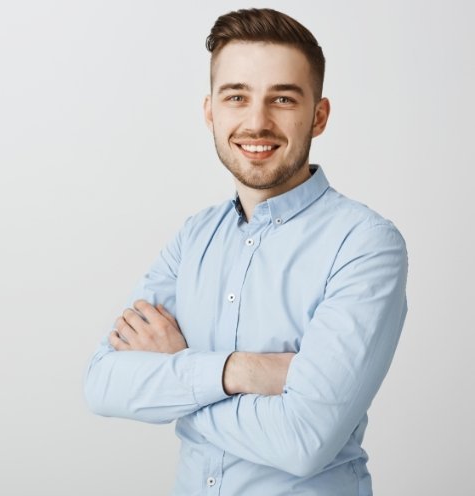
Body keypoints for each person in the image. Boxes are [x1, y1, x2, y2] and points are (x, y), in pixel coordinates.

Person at [84, 8, 408, 496]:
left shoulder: (364, 244)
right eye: (237, 97)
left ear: (318, 116)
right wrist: (239, 371)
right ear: (210, 111)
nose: (257, 122)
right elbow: (103, 383)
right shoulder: (193, 238)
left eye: (283, 99)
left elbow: (303, 441)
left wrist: (179, 375)